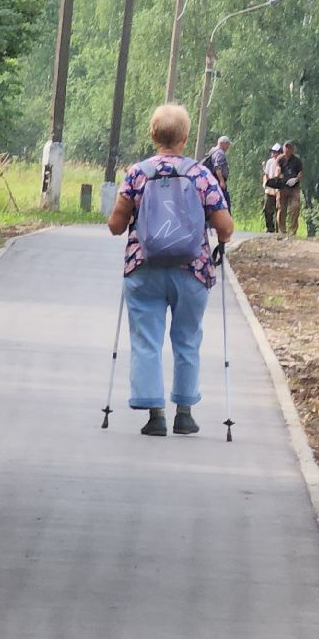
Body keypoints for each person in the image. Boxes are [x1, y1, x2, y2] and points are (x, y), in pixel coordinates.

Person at [106, 104, 235, 437]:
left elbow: (115, 226)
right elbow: (225, 227)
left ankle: (155, 415)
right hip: (191, 270)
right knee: (187, 338)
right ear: (186, 137)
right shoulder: (200, 175)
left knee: (146, 340)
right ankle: (185, 414)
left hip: (143, 267)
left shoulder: (138, 173)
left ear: (153, 135)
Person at [277, 140, 304, 236]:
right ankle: (282, 230)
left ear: (292, 149)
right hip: (283, 186)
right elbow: (278, 170)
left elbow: (301, 173)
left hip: (294, 187)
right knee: (281, 208)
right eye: (286, 147)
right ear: (283, 148)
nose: (288, 150)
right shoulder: (280, 159)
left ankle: (293, 230)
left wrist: (296, 179)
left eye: (290, 148)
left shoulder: (297, 160)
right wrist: (278, 177)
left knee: (295, 207)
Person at [200, 135, 232, 206]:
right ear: (222, 143)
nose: (228, 147)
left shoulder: (213, 151)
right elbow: (217, 167)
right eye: (227, 144)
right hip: (218, 180)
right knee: (224, 203)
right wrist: (221, 181)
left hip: (212, 180)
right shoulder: (220, 153)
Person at [262, 143, 283, 233]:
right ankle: (270, 228)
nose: (273, 153)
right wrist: (265, 183)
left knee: (279, 209)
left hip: (278, 189)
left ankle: (279, 229)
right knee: (267, 209)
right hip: (270, 188)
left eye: (275, 152)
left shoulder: (282, 162)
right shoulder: (270, 162)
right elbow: (266, 174)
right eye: (273, 152)